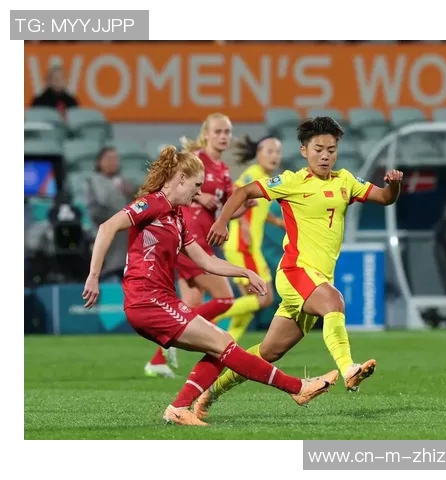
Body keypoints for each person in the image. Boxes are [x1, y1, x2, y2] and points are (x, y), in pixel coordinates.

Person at [81, 145, 338, 426]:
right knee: (224, 344)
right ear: (181, 179)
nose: (198, 193)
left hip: (162, 299)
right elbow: (107, 227)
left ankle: (180, 408)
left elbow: (206, 261)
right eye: (196, 185)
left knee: (222, 347)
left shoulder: (177, 218)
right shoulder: (152, 204)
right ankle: (297, 388)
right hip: (147, 300)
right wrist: (93, 276)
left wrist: (245, 272)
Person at [195, 116, 403, 419]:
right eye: (318, 149)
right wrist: (222, 222)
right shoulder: (291, 182)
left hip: (318, 277)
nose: (325, 156)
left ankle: (208, 395)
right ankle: (349, 369)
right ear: (304, 150)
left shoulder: (345, 181)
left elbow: (384, 198)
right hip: (295, 272)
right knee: (334, 301)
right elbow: (243, 192)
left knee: (269, 352)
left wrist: (394, 186)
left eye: (331, 150)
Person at [144, 113, 255, 378]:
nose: (223, 136)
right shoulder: (195, 161)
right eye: (218, 131)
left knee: (191, 304)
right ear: (206, 134)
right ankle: (170, 338)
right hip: (186, 239)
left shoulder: (223, 170)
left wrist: (243, 208)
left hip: (202, 241)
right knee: (225, 298)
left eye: (227, 132)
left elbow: (223, 212)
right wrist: (199, 195)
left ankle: (157, 360)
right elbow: (169, 188)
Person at [219, 135, 285, 341]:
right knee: (264, 298)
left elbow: (259, 210)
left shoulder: (267, 180)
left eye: (277, 152)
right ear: (258, 154)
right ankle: (205, 316)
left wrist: (278, 222)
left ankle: (226, 344)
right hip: (242, 245)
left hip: (249, 247)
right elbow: (235, 194)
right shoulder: (253, 174)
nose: (274, 156)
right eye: (269, 151)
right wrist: (244, 226)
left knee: (253, 301)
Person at [86, 147, 136, 284]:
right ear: (99, 162)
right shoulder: (93, 181)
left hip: (127, 232)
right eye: (108, 159)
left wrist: (131, 192)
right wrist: (118, 220)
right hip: (106, 230)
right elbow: (95, 211)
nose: (113, 162)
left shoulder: (126, 182)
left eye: (115, 159)